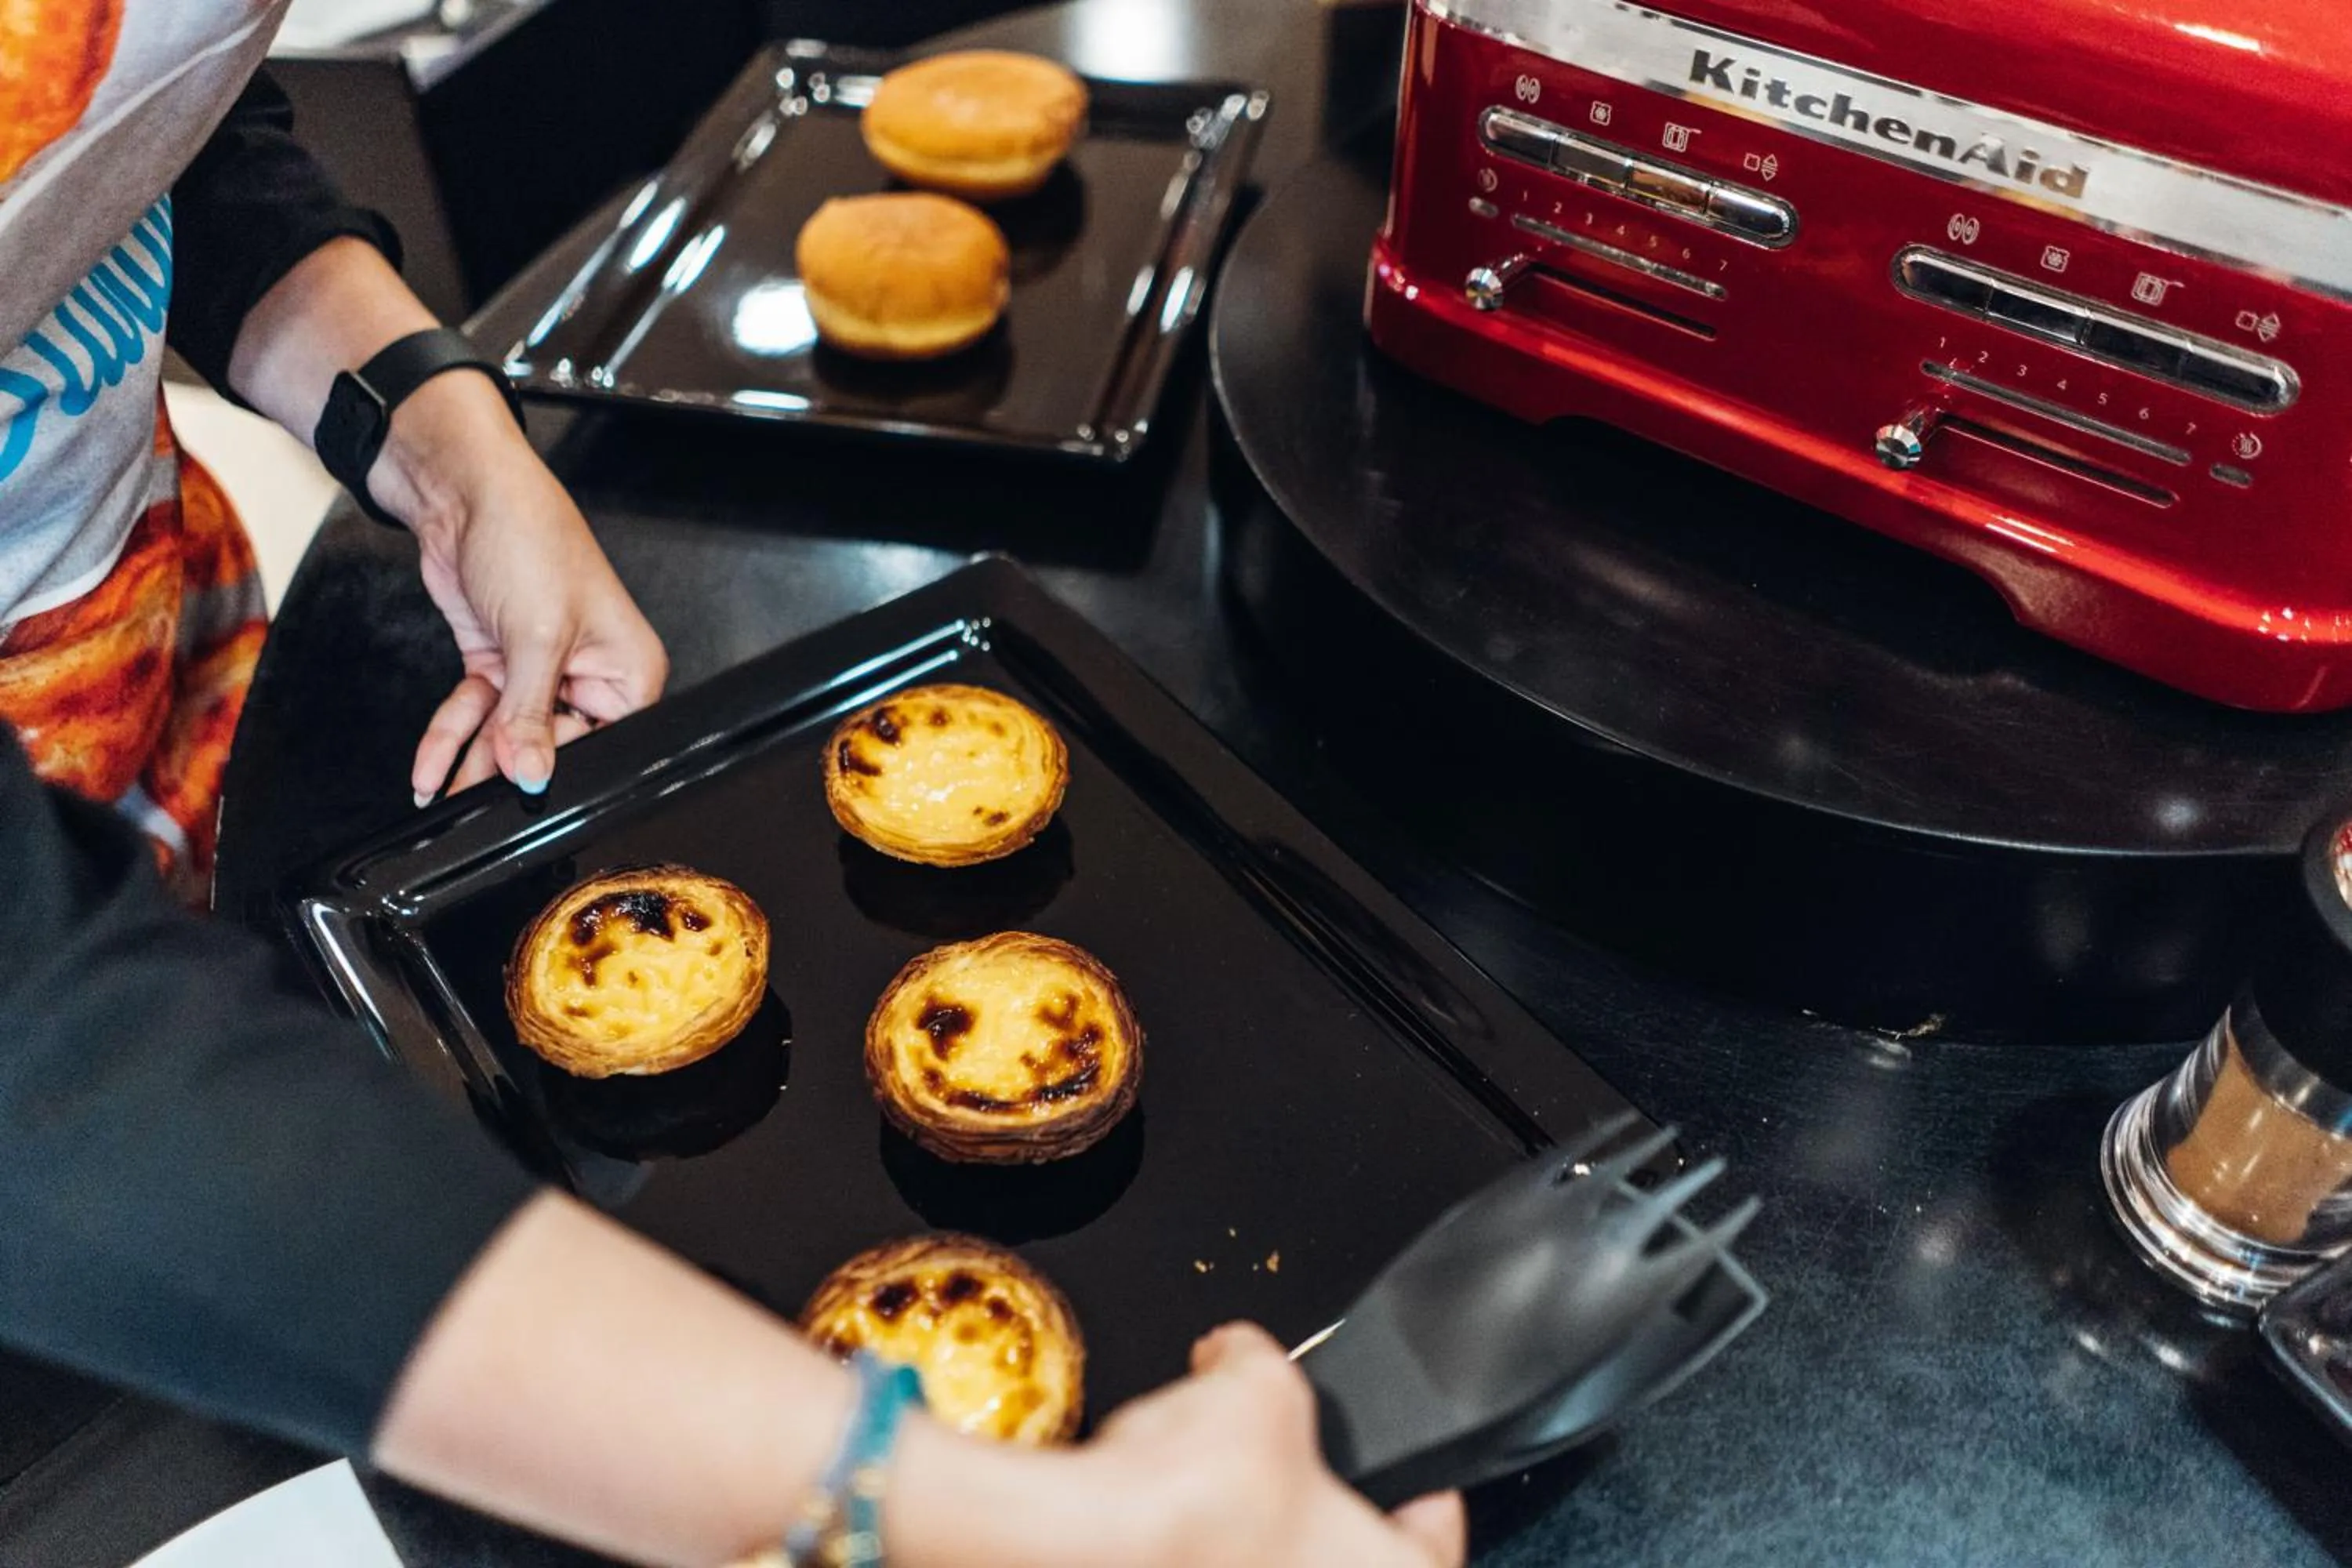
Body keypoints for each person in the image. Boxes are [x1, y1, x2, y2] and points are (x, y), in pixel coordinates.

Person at [0, 5, 1467, 1563]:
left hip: (172, 709)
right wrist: (965, 1511)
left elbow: (145, 128)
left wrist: (439, 435)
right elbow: (47, 1063)